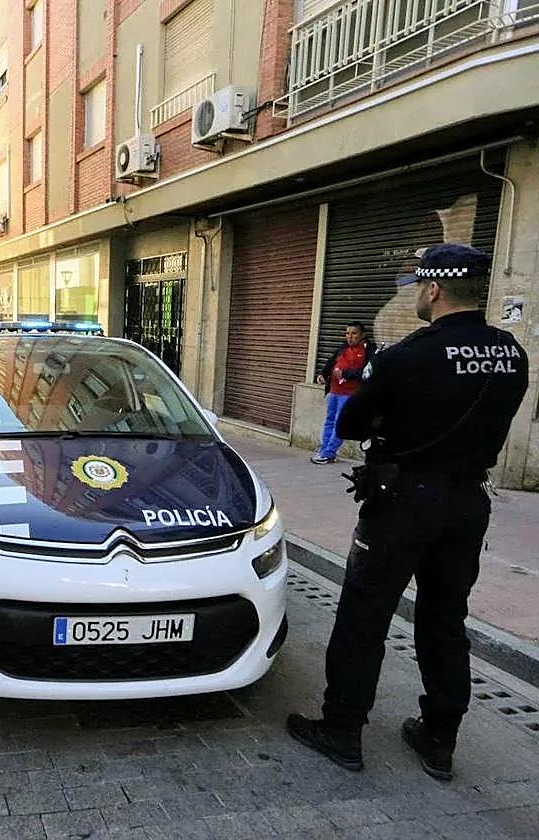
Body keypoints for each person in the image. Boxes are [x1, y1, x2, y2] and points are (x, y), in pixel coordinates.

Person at [287, 244, 528, 782]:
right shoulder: (511, 353)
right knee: (445, 620)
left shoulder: (408, 355)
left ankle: (343, 730)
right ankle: (439, 740)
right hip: (467, 504)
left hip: (401, 504)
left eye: (418, 286)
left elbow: (349, 425)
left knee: (364, 616)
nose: (416, 294)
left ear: (434, 289)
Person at [311, 321, 378, 464]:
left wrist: (345, 374)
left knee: (338, 423)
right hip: (334, 391)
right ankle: (324, 449)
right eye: (347, 333)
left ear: (362, 335)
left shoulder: (369, 350)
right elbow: (331, 363)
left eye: (354, 333)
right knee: (329, 421)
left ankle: (329, 453)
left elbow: (368, 372)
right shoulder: (342, 348)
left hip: (349, 394)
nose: (350, 337)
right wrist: (323, 374)